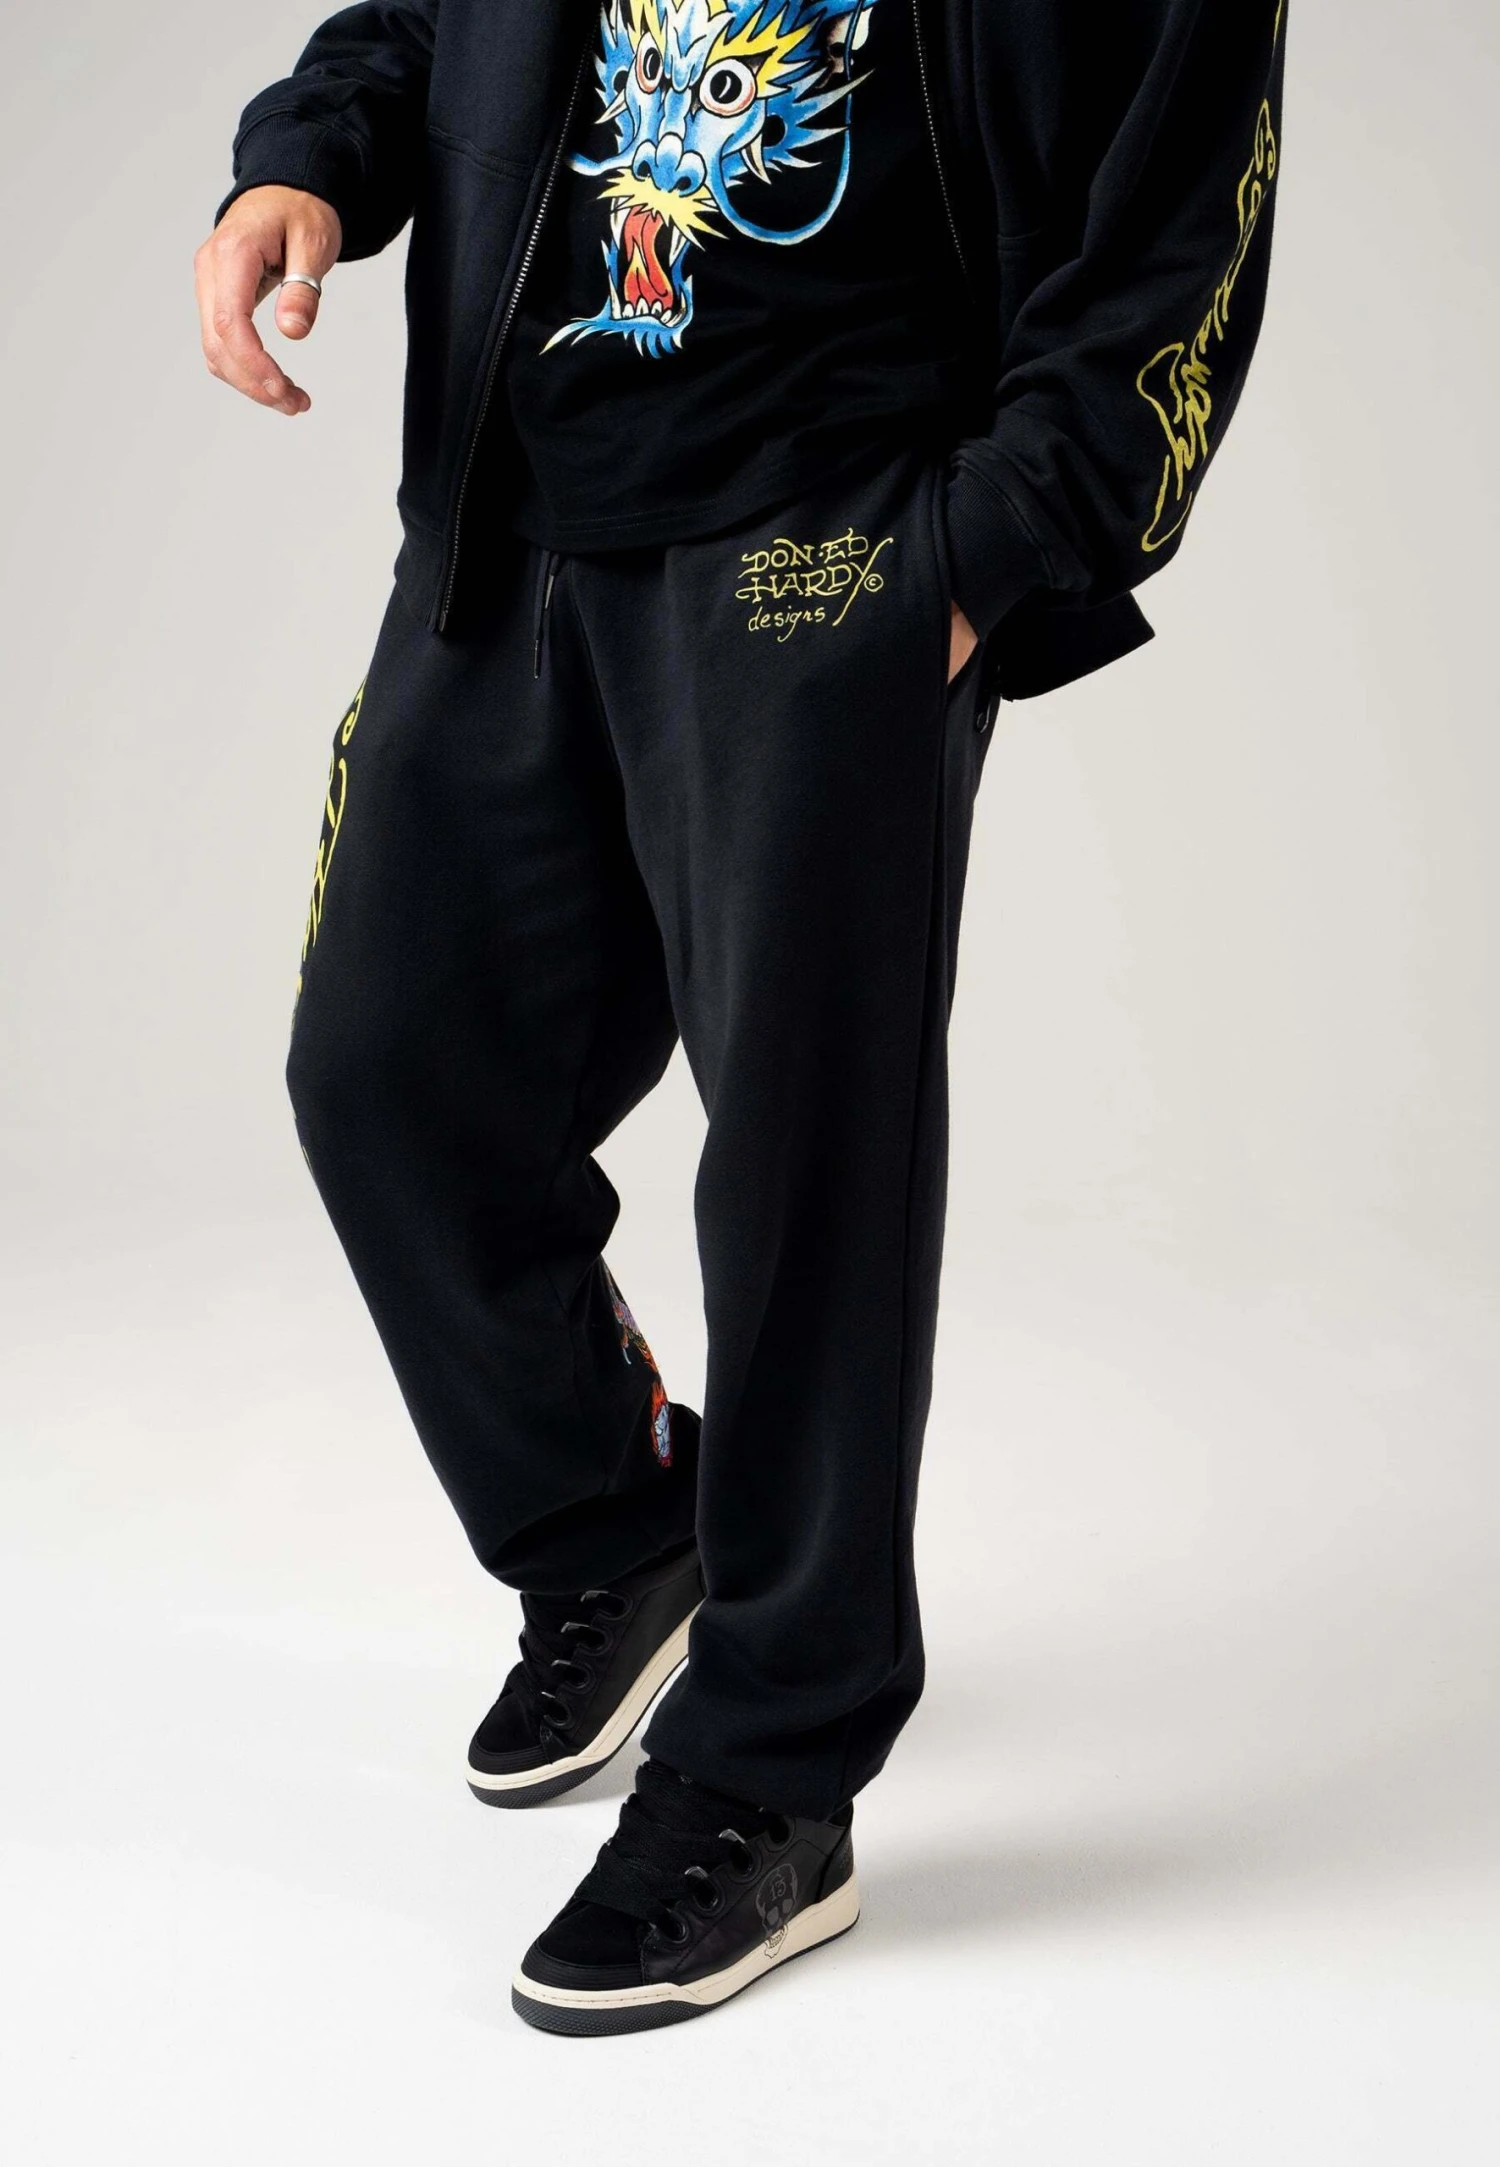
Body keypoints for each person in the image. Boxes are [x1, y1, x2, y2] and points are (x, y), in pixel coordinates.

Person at [196, 0, 1288, 2035]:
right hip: (514, 512)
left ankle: (775, 1769)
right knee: (386, 1078)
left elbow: (1181, 199)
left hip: (829, 535)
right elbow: (428, 24)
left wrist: (984, 552)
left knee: (804, 1170)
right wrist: (308, 158)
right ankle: (617, 1531)